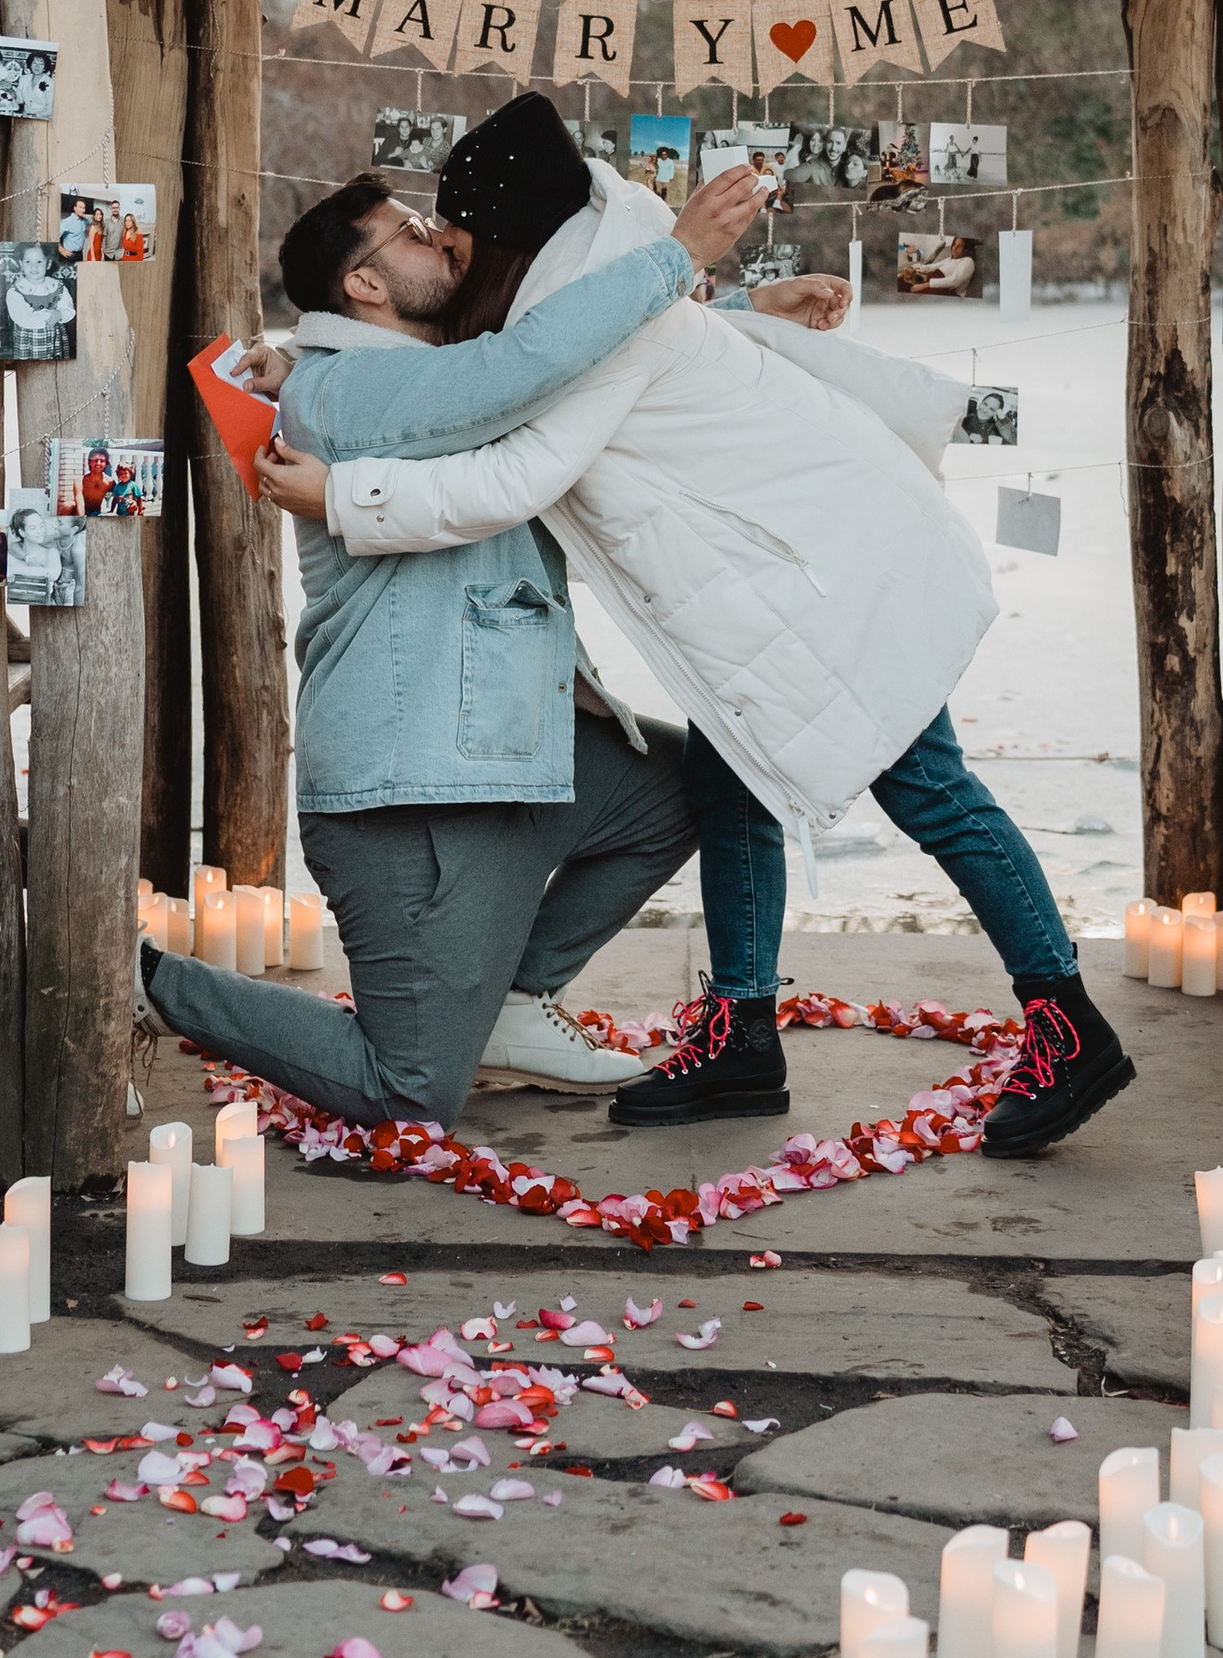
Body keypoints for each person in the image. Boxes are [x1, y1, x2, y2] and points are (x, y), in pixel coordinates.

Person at [250, 93, 1137, 1157]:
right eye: (418, 233)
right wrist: (298, 361)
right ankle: (744, 1033)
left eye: (456, 229)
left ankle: (1066, 1024)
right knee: (732, 780)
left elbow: (515, 468)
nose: (443, 243)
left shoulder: (597, 313)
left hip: (819, 577)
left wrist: (340, 501)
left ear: (511, 236)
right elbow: (469, 365)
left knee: (928, 785)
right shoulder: (599, 281)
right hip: (766, 578)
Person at [135, 156, 776, 1126]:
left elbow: (562, 353)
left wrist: (760, 309)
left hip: (519, 752)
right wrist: (674, 254)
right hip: (412, 791)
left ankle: (518, 1001)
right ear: (363, 282)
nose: (439, 236)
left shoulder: (379, 376)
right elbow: (518, 370)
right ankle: (147, 979)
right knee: (406, 1089)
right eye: (411, 231)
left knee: (699, 791)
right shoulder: (345, 393)